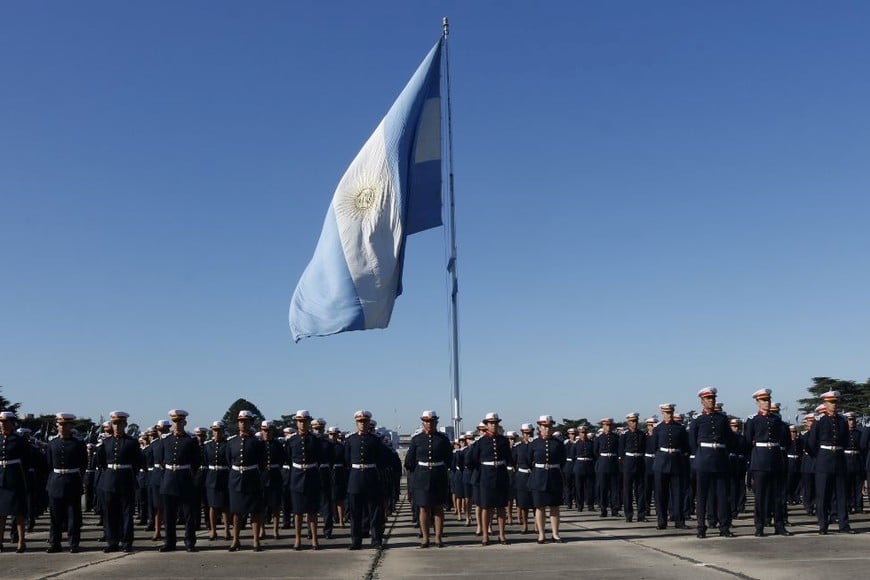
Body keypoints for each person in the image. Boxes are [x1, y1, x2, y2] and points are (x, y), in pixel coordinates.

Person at [688, 387, 737, 538]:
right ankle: (701, 527)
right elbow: (692, 441)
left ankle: (724, 526)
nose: (711, 400)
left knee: (722, 495)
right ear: (702, 401)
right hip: (704, 460)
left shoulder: (722, 418)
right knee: (702, 496)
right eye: (708, 398)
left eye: (713, 398)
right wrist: (700, 456)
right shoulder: (698, 420)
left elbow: (729, 438)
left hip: (720, 459)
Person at [806, 390, 855, 534]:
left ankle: (844, 525)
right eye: (831, 402)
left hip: (839, 459)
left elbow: (845, 440)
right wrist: (820, 456)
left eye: (835, 402)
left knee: (841, 494)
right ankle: (823, 525)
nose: (834, 405)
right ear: (825, 403)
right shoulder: (819, 420)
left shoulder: (842, 420)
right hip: (824, 459)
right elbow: (810, 444)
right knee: (823, 495)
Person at [95, 410, 144, 553]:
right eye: (114, 424)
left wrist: (129, 474)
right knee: (110, 513)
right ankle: (112, 541)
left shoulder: (132, 442)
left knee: (127, 514)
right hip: (109, 480)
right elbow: (101, 462)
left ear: (125, 424)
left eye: (119, 424)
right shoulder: (106, 442)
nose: (116, 426)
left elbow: (138, 462)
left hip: (126, 480)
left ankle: (126, 541)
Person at [744, 389, 791, 537]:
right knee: (760, 496)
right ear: (757, 402)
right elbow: (747, 442)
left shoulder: (777, 420)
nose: (767, 402)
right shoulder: (752, 420)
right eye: (763, 400)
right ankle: (759, 526)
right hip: (760, 460)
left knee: (778, 496)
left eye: (768, 400)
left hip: (776, 459)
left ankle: (779, 525)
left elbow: (785, 440)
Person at [404, 410, 453, 548]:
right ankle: (425, 538)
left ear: (436, 422)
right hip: (422, 477)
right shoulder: (417, 439)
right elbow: (409, 461)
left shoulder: (443, 439)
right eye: (426, 421)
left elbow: (449, 459)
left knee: (438, 508)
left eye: (431, 421)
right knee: (424, 508)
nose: (429, 424)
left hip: (438, 476)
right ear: (423, 423)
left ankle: (438, 537)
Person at [159, 409, 202, 552]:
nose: (177, 424)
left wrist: (191, 476)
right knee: (169, 515)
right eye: (174, 421)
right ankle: (169, 542)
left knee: (189, 514)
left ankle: (189, 542)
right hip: (169, 478)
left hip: (185, 478)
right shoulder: (165, 440)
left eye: (179, 421)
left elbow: (196, 461)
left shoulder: (191, 440)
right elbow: (160, 460)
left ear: (185, 422)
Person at [345, 410, 388, 550]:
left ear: (369, 423)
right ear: (356, 423)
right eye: (360, 422)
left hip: (371, 478)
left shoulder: (375, 440)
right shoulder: (351, 440)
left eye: (365, 421)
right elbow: (347, 460)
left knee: (374, 512)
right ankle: (356, 541)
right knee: (355, 513)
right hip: (355, 478)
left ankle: (376, 540)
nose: (362, 424)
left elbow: (381, 460)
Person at [45, 413, 87, 553]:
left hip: (72, 481)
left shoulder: (78, 443)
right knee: (55, 516)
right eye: (60, 425)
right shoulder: (52, 443)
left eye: (65, 425)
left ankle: (73, 543)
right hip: (56, 481)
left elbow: (83, 464)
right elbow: (49, 464)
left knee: (73, 516)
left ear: (70, 426)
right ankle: (54, 543)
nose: (62, 427)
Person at [468, 412, 512, 546]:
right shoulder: (480, 442)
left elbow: (509, 458)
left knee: (501, 507)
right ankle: (485, 535)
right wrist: (481, 471)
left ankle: (502, 534)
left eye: (496, 423)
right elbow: (472, 460)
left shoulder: (503, 441)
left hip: (500, 475)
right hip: (486, 476)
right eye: (491, 423)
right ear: (486, 425)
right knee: (486, 507)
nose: (494, 425)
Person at [225, 409, 266, 551]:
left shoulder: (257, 442)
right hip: (236, 479)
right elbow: (229, 460)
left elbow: (262, 463)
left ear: (251, 423)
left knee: (255, 511)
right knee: (236, 512)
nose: (243, 424)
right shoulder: (231, 442)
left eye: (246, 421)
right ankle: (236, 540)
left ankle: (255, 540)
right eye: (240, 421)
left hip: (252, 478)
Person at [286, 409, 323, 550]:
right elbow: (288, 458)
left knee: (312, 511)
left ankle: (314, 539)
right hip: (296, 476)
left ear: (308, 422)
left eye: (304, 421)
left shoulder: (315, 439)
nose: (302, 424)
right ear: (296, 422)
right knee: (298, 511)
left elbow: (320, 457)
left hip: (312, 475)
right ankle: (298, 539)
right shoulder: (292, 440)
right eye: (299, 421)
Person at [528, 414, 566, 544]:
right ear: (539, 427)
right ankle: (541, 534)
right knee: (540, 507)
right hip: (538, 476)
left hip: (554, 476)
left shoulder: (558, 444)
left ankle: (555, 533)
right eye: (544, 427)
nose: (547, 429)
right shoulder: (534, 443)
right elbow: (529, 461)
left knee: (554, 507)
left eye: (549, 427)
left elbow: (563, 460)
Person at [651, 403, 688, 530]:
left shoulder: (680, 428)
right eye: (667, 413)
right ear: (662, 413)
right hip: (662, 462)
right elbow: (654, 447)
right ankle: (662, 521)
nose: (669, 415)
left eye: (671, 412)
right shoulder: (658, 428)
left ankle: (679, 520)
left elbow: (685, 446)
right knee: (661, 494)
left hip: (676, 461)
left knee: (678, 494)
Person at [0, 411, 30, 553]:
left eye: (6, 422)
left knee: (18, 512)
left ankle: (21, 542)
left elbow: (27, 459)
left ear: (12, 424)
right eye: (1, 422)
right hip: (1, 478)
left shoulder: (18, 440)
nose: (3, 425)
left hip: (15, 477)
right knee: (1, 513)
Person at [203, 420, 230, 541]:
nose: (217, 433)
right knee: (212, 506)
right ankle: (213, 531)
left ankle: (226, 530)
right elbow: (204, 461)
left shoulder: (227, 444)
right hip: (212, 476)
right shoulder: (208, 445)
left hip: (224, 475)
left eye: (219, 430)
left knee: (225, 506)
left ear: (223, 431)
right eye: (214, 430)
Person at [259, 420, 285, 540]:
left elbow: (282, 459)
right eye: (264, 430)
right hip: (261, 476)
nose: (266, 433)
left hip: (274, 476)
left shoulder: (278, 445)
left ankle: (275, 530)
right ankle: (262, 529)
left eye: (269, 430)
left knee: (275, 506)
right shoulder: (258, 444)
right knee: (261, 506)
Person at [619, 412, 647, 522]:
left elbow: (644, 448)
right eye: (632, 421)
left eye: (635, 421)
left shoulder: (641, 434)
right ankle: (629, 514)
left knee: (640, 490)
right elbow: (621, 453)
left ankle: (641, 514)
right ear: (628, 422)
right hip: (629, 461)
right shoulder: (624, 435)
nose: (634, 423)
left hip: (639, 461)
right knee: (628, 490)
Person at [594, 417, 619, 518]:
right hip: (603, 464)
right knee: (603, 488)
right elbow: (595, 452)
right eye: (606, 425)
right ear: (603, 426)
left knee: (614, 489)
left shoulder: (616, 437)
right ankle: (603, 509)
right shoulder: (599, 438)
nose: (608, 427)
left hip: (613, 463)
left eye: (610, 425)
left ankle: (615, 509)